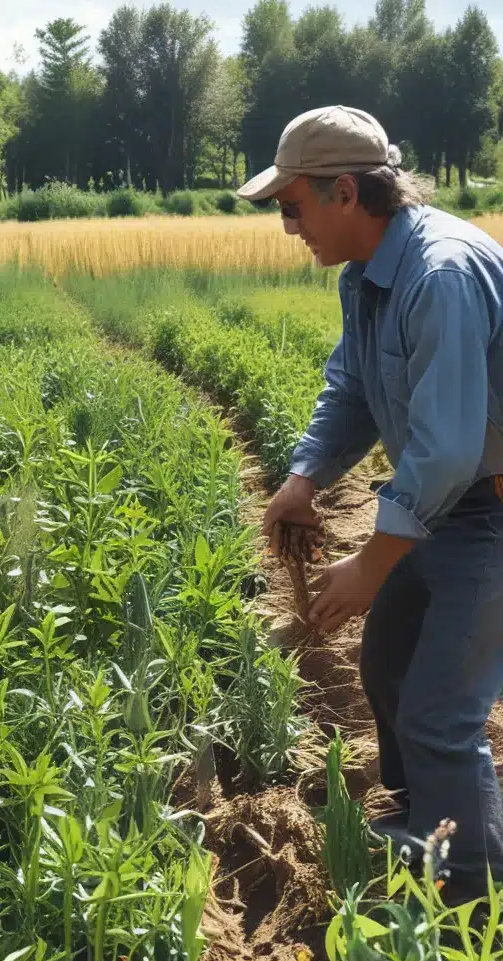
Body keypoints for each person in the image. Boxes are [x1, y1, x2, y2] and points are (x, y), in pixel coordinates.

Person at [238, 106, 503, 903]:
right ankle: (435, 824)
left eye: (292, 206)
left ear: (345, 191)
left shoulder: (440, 274)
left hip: (486, 514)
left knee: (440, 714)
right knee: (386, 667)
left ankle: (471, 900)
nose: (289, 227)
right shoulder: (370, 273)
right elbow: (354, 386)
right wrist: (302, 478)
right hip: (442, 508)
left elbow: (451, 446)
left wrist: (372, 561)